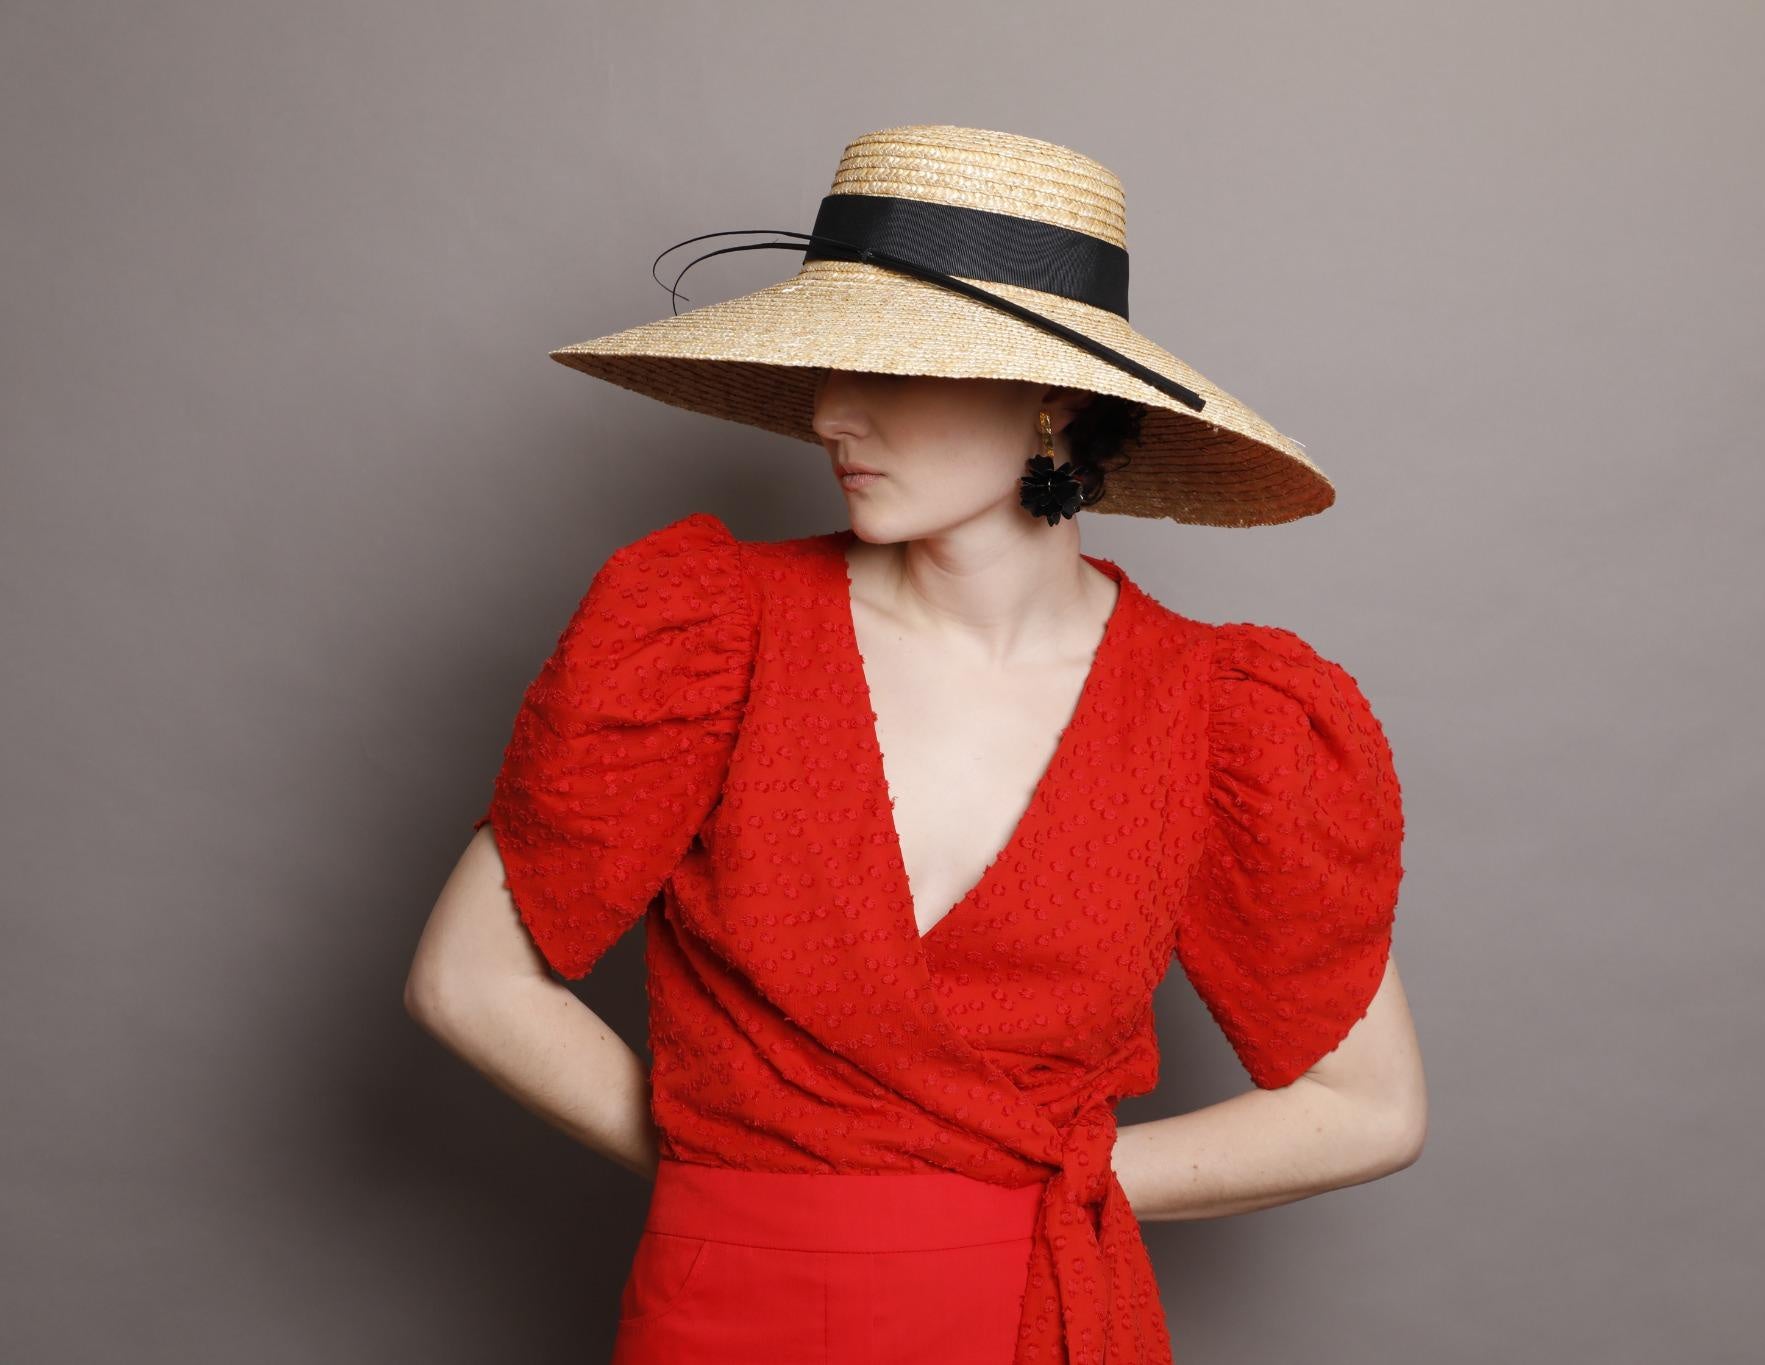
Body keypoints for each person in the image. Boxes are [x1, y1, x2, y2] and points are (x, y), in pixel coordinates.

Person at [405, 123, 1426, 1365]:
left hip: (1035, 1308)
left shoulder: (1218, 714)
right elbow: (468, 980)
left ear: (1053, 398)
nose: (830, 413)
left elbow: (1368, 1107)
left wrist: (1043, 1186)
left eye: (890, 367)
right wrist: (732, 1169)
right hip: (726, 1303)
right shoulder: (709, 633)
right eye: (825, 366)